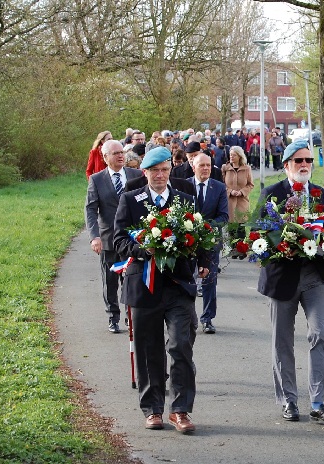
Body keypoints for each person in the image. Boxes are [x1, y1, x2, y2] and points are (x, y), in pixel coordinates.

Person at [113, 146, 210, 433]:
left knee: (180, 345)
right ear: (145, 173)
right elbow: (118, 240)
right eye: (154, 171)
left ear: (170, 171)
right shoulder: (130, 200)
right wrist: (141, 249)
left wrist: (204, 262)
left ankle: (180, 410)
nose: (159, 175)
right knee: (149, 350)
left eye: (164, 170)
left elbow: (201, 235)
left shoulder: (185, 200)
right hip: (143, 286)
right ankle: (153, 408)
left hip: (178, 286)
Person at [256, 139, 324, 424]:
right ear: (286, 166)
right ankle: (288, 401)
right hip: (282, 277)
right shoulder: (271, 194)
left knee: (321, 333)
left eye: (307, 161)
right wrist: (281, 244)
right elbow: (257, 234)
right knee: (282, 340)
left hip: (315, 276)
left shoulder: (323, 195)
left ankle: (318, 401)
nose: (304, 166)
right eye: (298, 161)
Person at [85, 140, 143, 333]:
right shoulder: (97, 179)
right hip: (108, 239)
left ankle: (130, 315)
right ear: (105, 157)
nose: (120, 156)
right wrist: (95, 236)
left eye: (122, 152)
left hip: (132, 239)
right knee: (110, 280)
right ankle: (113, 316)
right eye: (115, 153)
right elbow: (91, 210)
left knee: (131, 278)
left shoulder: (136, 175)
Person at [187, 154, 228, 334]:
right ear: (193, 167)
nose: (206, 168)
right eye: (202, 165)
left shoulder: (218, 187)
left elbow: (224, 216)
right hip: (188, 240)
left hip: (210, 240)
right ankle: (186, 317)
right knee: (187, 279)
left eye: (208, 165)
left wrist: (205, 227)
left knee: (209, 280)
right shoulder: (184, 185)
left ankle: (208, 318)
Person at [221, 146, 254, 259]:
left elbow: (250, 184)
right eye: (230, 155)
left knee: (241, 227)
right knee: (231, 227)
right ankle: (233, 249)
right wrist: (230, 191)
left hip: (242, 201)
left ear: (239, 156)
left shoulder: (246, 168)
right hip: (229, 200)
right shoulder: (225, 168)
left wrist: (242, 192)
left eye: (234, 155)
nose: (231, 157)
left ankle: (242, 250)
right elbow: (222, 185)